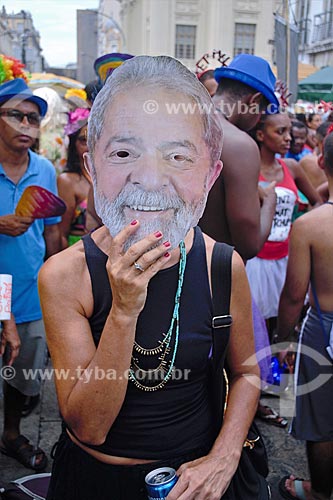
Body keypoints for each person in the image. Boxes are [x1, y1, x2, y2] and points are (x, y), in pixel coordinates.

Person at [39, 55, 262, 500]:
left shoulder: (221, 266)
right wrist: (123, 309)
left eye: (178, 156)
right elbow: (89, 426)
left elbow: (247, 373)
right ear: (91, 167)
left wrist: (224, 456)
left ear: (210, 174)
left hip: (195, 481)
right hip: (96, 482)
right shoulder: (66, 276)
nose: (150, 180)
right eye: (123, 153)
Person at [0, 78, 61, 471]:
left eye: (33, 118)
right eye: (15, 115)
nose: (26, 124)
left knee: (24, 376)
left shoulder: (45, 170)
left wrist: (61, 289)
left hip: (30, 293)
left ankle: (11, 434)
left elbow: (53, 231)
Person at [276, 130, 333, 500]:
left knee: (321, 420)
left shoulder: (310, 226)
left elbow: (294, 295)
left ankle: (320, 491)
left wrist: (285, 337)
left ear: (323, 162)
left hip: (323, 329)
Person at [246, 111, 321, 339]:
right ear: (260, 134)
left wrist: (302, 227)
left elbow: (317, 200)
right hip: (254, 261)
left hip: (287, 257)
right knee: (254, 325)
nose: (289, 138)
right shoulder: (246, 169)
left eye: (289, 131)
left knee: (286, 317)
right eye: (280, 132)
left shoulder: (291, 167)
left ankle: (281, 368)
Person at [57, 108, 91, 248]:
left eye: (94, 139)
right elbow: (61, 234)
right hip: (79, 253)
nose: (90, 146)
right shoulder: (67, 181)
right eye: (83, 140)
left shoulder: (112, 178)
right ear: (73, 145)